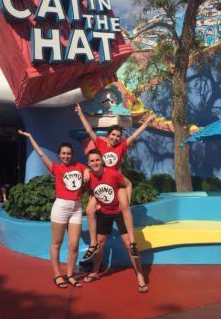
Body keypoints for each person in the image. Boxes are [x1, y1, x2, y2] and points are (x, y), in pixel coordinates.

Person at [75, 103, 155, 261]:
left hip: (116, 183)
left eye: (118, 136)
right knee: (90, 210)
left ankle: (132, 243)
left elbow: (134, 136)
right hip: (100, 183)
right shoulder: (100, 143)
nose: (115, 138)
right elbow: (90, 131)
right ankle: (93, 243)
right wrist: (81, 115)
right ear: (108, 135)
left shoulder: (122, 146)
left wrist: (145, 124)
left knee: (124, 206)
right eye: (113, 135)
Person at [18, 129, 87, 289]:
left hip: (76, 208)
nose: (66, 156)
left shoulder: (79, 166)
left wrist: (89, 173)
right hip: (61, 207)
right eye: (63, 153)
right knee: (57, 243)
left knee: (74, 245)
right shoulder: (56, 168)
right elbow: (41, 155)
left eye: (68, 153)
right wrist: (29, 137)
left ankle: (69, 275)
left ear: (72, 154)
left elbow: (92, 170)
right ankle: (57, 275)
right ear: (58, 155)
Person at [83, 149, 148, 293]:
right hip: (104, 213)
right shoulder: (88, 178)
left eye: (97, 160)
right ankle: (95, 272)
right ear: (88, 163)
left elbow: (128, 184)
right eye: (92, 161)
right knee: (100, 244)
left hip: (119, 212)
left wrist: (127, 202)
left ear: (102, 161)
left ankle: (140, 276)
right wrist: (96, 204)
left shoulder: (112, 174)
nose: (95, 163)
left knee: (129, 245)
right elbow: (90, 192)